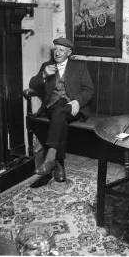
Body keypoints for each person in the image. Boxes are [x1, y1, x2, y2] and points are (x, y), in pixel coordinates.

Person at [29, 37, 94, 182]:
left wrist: (77, 101)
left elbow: (89, 90)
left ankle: (52, 160)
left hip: (73, 107)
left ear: (69, 52)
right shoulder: (47, 65)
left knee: (60, 115)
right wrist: (44, 74)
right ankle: (57, 162)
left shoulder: (79, 66)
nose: (57, 53)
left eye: (61, 50)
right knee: (60, 117)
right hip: (52, 106)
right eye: (56, 50)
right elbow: (33, 84)